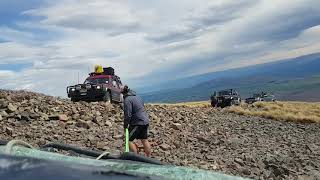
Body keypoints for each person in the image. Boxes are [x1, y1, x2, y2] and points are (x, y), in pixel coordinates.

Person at [121, 85, 151, 157]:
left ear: (123, 93)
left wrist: (125, 126)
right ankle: (148, 158)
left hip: (138, 122)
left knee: (128, 140)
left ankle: (135, 157)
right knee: (144, 140)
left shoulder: (127, 100)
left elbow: (128, 114)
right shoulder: (137, 97)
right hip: (145, 120)